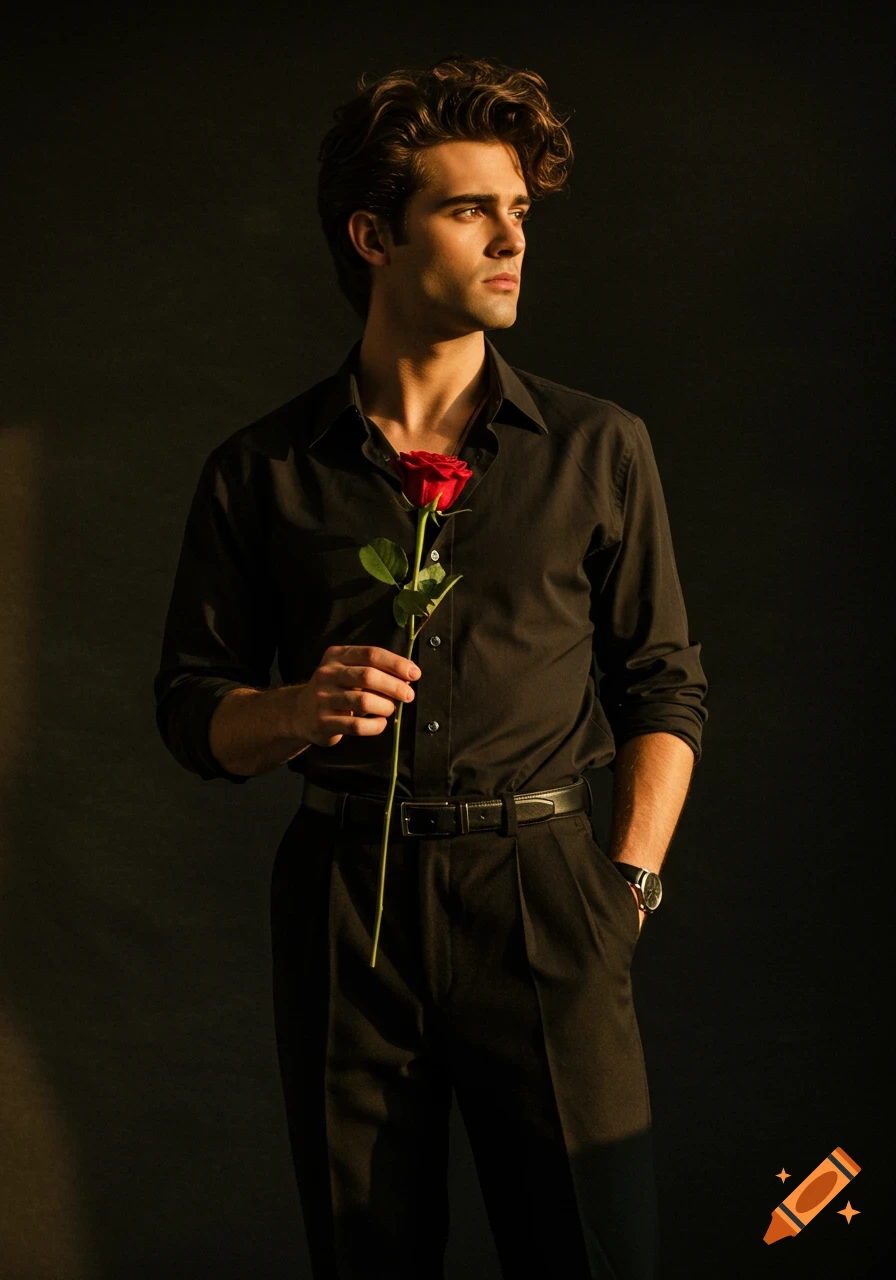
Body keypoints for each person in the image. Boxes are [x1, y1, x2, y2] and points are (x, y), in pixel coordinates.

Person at [153, 53, 708, 1280]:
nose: (512, 240)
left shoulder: (598, 448)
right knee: (366, 1256)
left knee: (593, 1255)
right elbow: (190, 707)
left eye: (518, 212)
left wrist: (623, 887)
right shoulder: (260, 470)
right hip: (346, 894)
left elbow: (662, 683)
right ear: (373, 236)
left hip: (546, 889)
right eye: (469, 211)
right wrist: (293, 708)